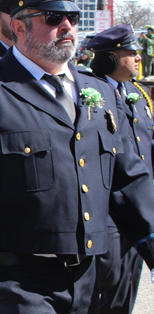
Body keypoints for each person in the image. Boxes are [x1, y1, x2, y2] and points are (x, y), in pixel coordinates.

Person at [0, 0, 154, 314]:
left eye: (72, 17)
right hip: (19, 282)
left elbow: (126, 179)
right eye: (52, 17)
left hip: (91, 277)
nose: (66, 27)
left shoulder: (99, 91)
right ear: (19, 27)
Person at [86, 24, 153, 314]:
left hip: (140, 203)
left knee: (128, 282)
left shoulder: (137, 92)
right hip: (108, 208)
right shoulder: (91, 93)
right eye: (131, 52)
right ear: (111, 57)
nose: (138, 58)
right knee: (109, 276)